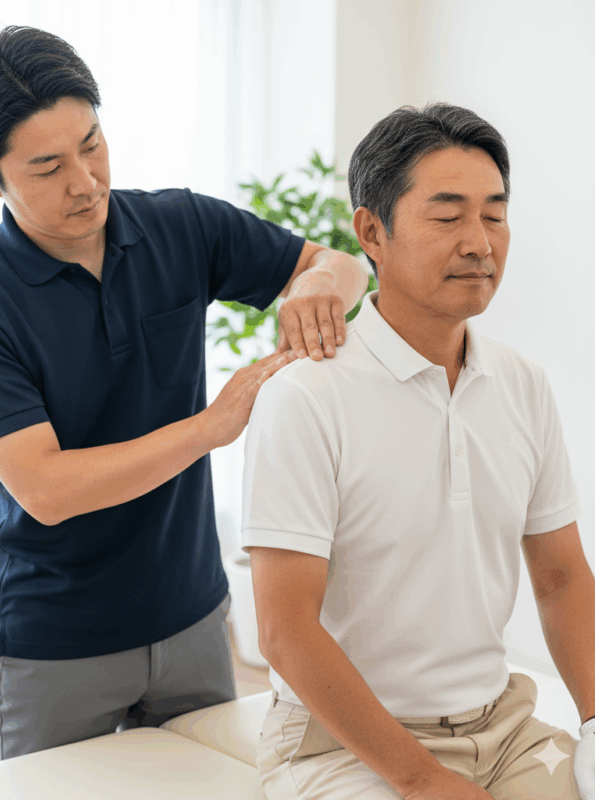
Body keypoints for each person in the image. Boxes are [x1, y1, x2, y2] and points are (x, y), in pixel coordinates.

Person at [0, 25, 368, 760]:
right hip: (57, 642)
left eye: (92, 145)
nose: (85, 181)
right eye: (48, 167)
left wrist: (317, 285)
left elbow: (341, 266)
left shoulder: (179, 225)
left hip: (193, 615)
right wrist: (212, 426)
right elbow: (47, 489)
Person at [242, 102, 595, 800]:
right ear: (372, 232)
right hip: (340, 745)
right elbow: (285, 631)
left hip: (501, 728)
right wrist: (423, 778)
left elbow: (561, 579)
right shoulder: (305, 397)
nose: (480, 243)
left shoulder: (522, 383)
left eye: (495, 215)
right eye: (448, 217)